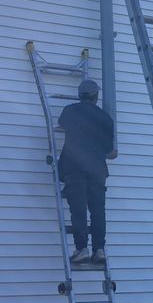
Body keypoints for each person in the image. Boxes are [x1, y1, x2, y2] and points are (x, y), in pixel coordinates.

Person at [58, 79, 114, 265]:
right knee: (98, 210)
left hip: (74, 168)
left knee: (78, 209)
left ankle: (82, 249)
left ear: (80, 95)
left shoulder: (70, 111)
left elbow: (62, 124)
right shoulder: (105, 118)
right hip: (97, 170)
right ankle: (99, 249)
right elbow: (108, 150)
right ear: (96, 97)